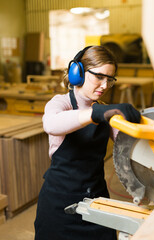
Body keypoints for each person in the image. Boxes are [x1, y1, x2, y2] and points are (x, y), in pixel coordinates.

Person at [34, 45, 141, 240]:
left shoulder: (104, 111)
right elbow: (51, 124)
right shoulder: (60, 103)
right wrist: (95, 113)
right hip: (59, 204)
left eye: (110, 79)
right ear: (78, 73)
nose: (104, 86)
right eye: (99, 77)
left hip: (96, 202)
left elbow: (132, 149)